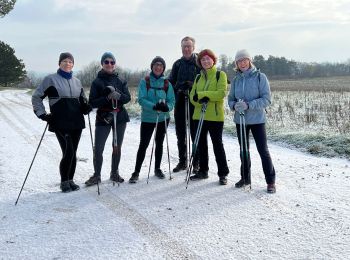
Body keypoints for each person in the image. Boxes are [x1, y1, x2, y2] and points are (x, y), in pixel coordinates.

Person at [32, 52, 91, 193]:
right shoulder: (50, 79)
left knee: (73, 152)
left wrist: (86, 107)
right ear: (59, 63)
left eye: (70, 62)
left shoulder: (77, 81)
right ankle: (64, 181)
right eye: (64, 61)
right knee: (68, 151)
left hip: (76, 122)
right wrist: (42, 114)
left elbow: (82, 100)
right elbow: (36, 97)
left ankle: (70, 180)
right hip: (60, 122)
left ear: (73, 64)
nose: (67, 64)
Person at [227, 49, 276, 193]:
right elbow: (230, 99)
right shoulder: (236, 80)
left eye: (244, 60)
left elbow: (267, 99)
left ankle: (271, 181)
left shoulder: (260, 77)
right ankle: (245, 177)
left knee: (263, 150)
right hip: (240, 120)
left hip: (257, 120)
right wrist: (234, 105)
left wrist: (249, 105)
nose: (242, 63)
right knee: (243, 150)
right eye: (239, 61)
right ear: (236, 63)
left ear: (249, 61)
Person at [85, 52, 131, 186]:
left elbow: (128, 98)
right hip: (103, 117)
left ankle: (114, 172)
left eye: (112, 62)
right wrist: (106, 98)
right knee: (98, 148)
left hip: (120, 117)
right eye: (106, 62)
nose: (109, 64)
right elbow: (92, 102)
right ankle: (97, 175)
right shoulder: (97, 81)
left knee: (117, 146)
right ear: (102, 64)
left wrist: (119, 95)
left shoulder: (121, 80)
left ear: (115, 64)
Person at [129, 56, 175, 183]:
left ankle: (157, 168)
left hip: (163, 118)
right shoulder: (145, 81)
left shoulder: (167, 83)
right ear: (152, 66)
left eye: (161, 65)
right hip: (148, 118)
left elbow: (172, 100)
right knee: (143, 144)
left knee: (159, 143)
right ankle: (136, 171)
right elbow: (141, 99)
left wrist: (167, 107)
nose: (158, 67)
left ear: (163, 68)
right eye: (156, 64)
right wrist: (154, 106)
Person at [189, 49, 229, 185]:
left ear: (213, 60)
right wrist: (200, 97)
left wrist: (203, 95)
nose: (205, 61)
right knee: (201, 145)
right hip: (199, 115)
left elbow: (221, 93)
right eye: (203, 59)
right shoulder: (198, 77)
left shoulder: (220, 75)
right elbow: (192, 97)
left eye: (208, 59)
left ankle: (223, 174)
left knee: (217, 145)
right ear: (200, 62)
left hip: (215, 117)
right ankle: (203, 171)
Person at [168, 36, 201, 173]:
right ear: (181, 48)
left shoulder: (199, 62)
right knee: (180, 133)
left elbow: (204, 81)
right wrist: (179, 87)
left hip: (195, 103)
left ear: (193, 47)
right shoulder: (177, 64)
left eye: (189, 46)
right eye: (184, 46)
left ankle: (197, 162)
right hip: (180, 101)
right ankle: (183, 161)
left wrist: (193, 85)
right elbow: (171, 81)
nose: (186, 49)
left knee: (195, 133)